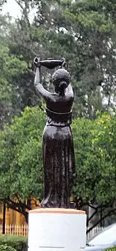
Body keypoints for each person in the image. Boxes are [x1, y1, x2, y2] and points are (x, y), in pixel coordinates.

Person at [33, 57, 75, 208]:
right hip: (65, 134)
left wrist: (38, 67)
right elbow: (68, 83)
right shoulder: (70, 97)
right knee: (64, 166)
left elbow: (37, 84)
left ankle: (50, 198)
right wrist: (63, 67)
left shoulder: (50, 98)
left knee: (50, 168)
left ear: (54, 84)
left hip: (51, 133)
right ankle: (63, 199)